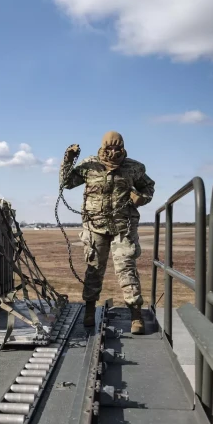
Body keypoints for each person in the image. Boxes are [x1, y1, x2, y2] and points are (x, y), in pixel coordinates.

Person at [60, 131, 155, 334]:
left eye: (117, 147)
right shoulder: (89, 165)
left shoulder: (134, 168)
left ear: (122, 148)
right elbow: (66, 183)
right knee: (94, 269)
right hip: (95, 226)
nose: (113, 151)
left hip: (123, 227)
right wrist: (67, 160)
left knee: (126, 269)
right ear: (102, 147)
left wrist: (141, 198)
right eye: (109, 147)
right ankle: (89, 310)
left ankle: (136, 315)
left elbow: (148, 187)